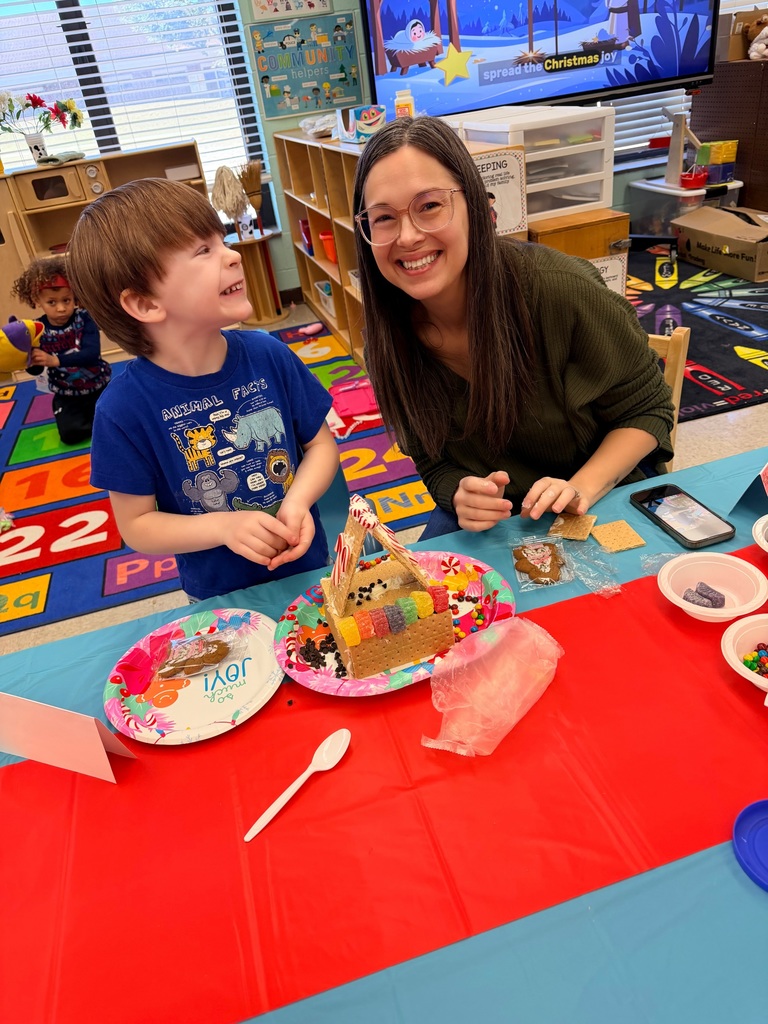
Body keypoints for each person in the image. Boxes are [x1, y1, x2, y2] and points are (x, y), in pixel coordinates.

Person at [352, 116, 674, 537]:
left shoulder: (560, 289)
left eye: (429, 206)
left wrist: (580, 487)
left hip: (600, 488)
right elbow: (432, 460)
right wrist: (459, 493)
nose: (408, 237)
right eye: (383, 218)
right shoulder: (387, 342)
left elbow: (648, 410)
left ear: (473, 205)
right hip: (500, 518)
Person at [67, 178, 339, 601]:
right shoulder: (122, 410)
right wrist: (222, 526)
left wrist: (297, 501)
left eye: (222, 240)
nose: (233, 254)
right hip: (219, 598)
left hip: (309, 570)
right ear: (145, 304)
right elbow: (137, 525)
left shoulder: (268, 354)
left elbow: (321, 446)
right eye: (203, 250)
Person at [11, 255, 112, 444]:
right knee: (70, 435)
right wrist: (28, 360)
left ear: (75, 297)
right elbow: (36, 370)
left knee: (122, 420)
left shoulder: (85, 318)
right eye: (52, 302)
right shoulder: (36, 329)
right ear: (37, 300)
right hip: (66, 394)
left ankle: (103, 423)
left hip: (98, 387)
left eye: (67, 300)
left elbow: (92, 354)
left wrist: (55, 360)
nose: (61, 308)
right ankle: (99, 425)